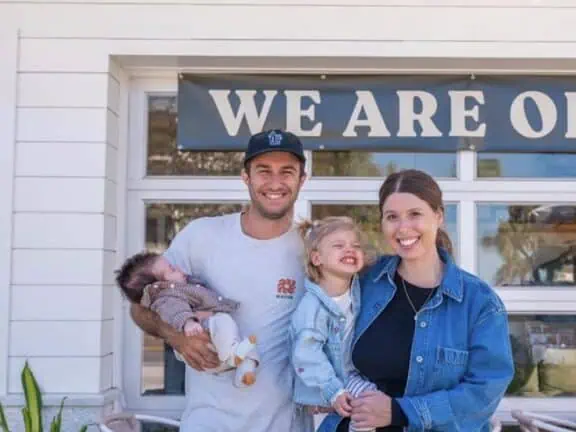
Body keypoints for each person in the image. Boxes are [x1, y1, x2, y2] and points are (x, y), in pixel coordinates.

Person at [128, 129, 313, 432]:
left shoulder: (310, 249)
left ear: (301, 180)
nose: (275, 183)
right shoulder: (202, 236)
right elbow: (140, 307)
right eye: (263, 171)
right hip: (210, 422)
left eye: (287, 172)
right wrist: (177, 337)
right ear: (246, 177)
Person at [319, 169, 515, 432]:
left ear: (439, 216)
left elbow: (484, 393)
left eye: (415, 214)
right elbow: (320, 332)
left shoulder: (479, 303)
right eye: (392, 217)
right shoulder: (363, 281)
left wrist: (400, 412)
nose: (403, 228)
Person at [115, 251, 261, 388]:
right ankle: (232, 354)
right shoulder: (167, 297)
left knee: (248, 350)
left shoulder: (180, 286)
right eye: (172, 269)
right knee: (222, 321)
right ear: (158, 286)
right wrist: (187, 324)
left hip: (215, 353)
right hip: (208, 344)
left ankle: (243, 374)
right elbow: (175, 311)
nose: (179, 268)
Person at [291, 216, 378, 432]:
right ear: (317, 258)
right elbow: (306, 355)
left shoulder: (357, 292)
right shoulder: (312, 307)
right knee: (370, 405)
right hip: (325, 393)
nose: (349, 250)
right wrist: (334, 391)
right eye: (339, 246)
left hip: (350, 379)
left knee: (376, 404)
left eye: (355, 246)